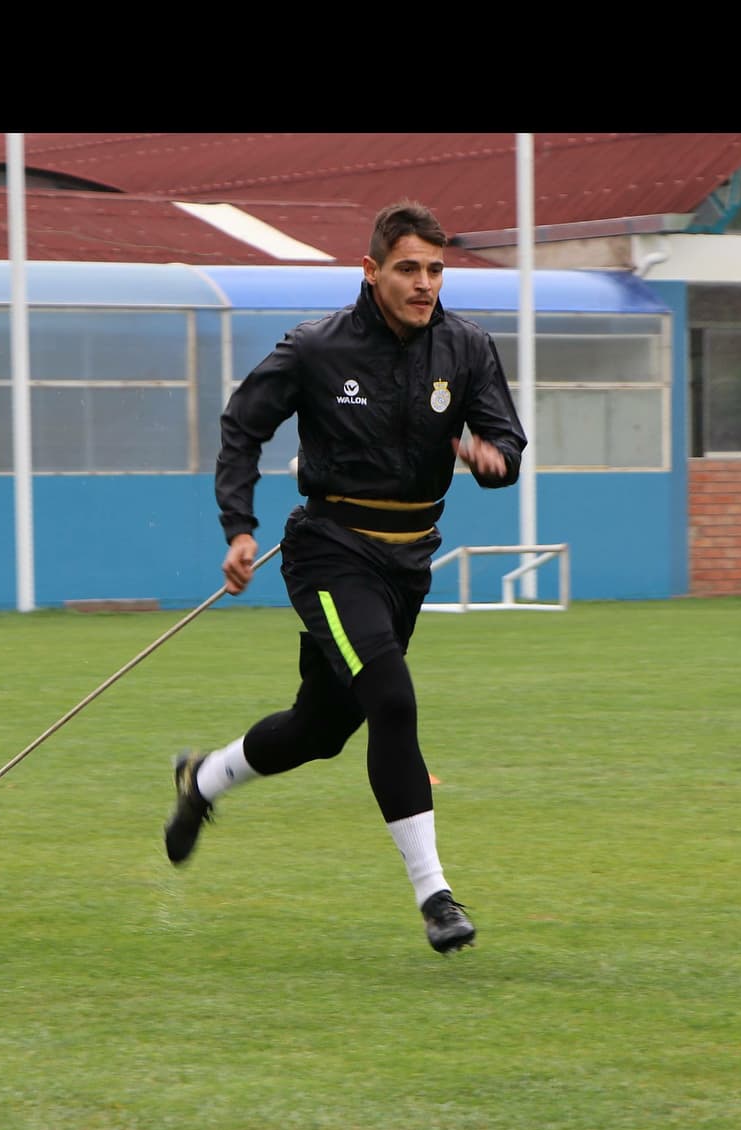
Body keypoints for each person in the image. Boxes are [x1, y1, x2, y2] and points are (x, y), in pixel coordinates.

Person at [164, 199, 527, 955]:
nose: (425, 284)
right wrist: (239, 526)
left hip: (409, 563)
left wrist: (495, 459)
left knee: (321, 730)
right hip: (328, 554)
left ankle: (201, 782)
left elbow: (505, 444)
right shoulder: (314, 349)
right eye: (408, 269)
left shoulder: (466, 348)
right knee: (391, 698)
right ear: (371, 272)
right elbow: (243, 426)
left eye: (434, 269)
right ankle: (436, 897)